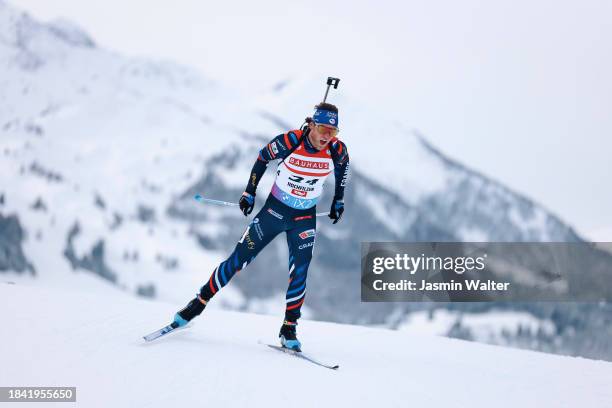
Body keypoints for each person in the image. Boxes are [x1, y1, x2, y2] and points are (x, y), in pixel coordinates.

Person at [173, 102, 350, 351]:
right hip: (275, 212)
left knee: (300, 269)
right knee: (239, 260)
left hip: (304, 218)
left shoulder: (337, 150)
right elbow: (262, 158)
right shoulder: (290, 141)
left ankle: (289, 327)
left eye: (333, 131)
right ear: (311, 124)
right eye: (322, 129)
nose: (327, 136)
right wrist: (249, 192)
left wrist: (338, 200)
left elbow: (343, 171)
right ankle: (198, 303)